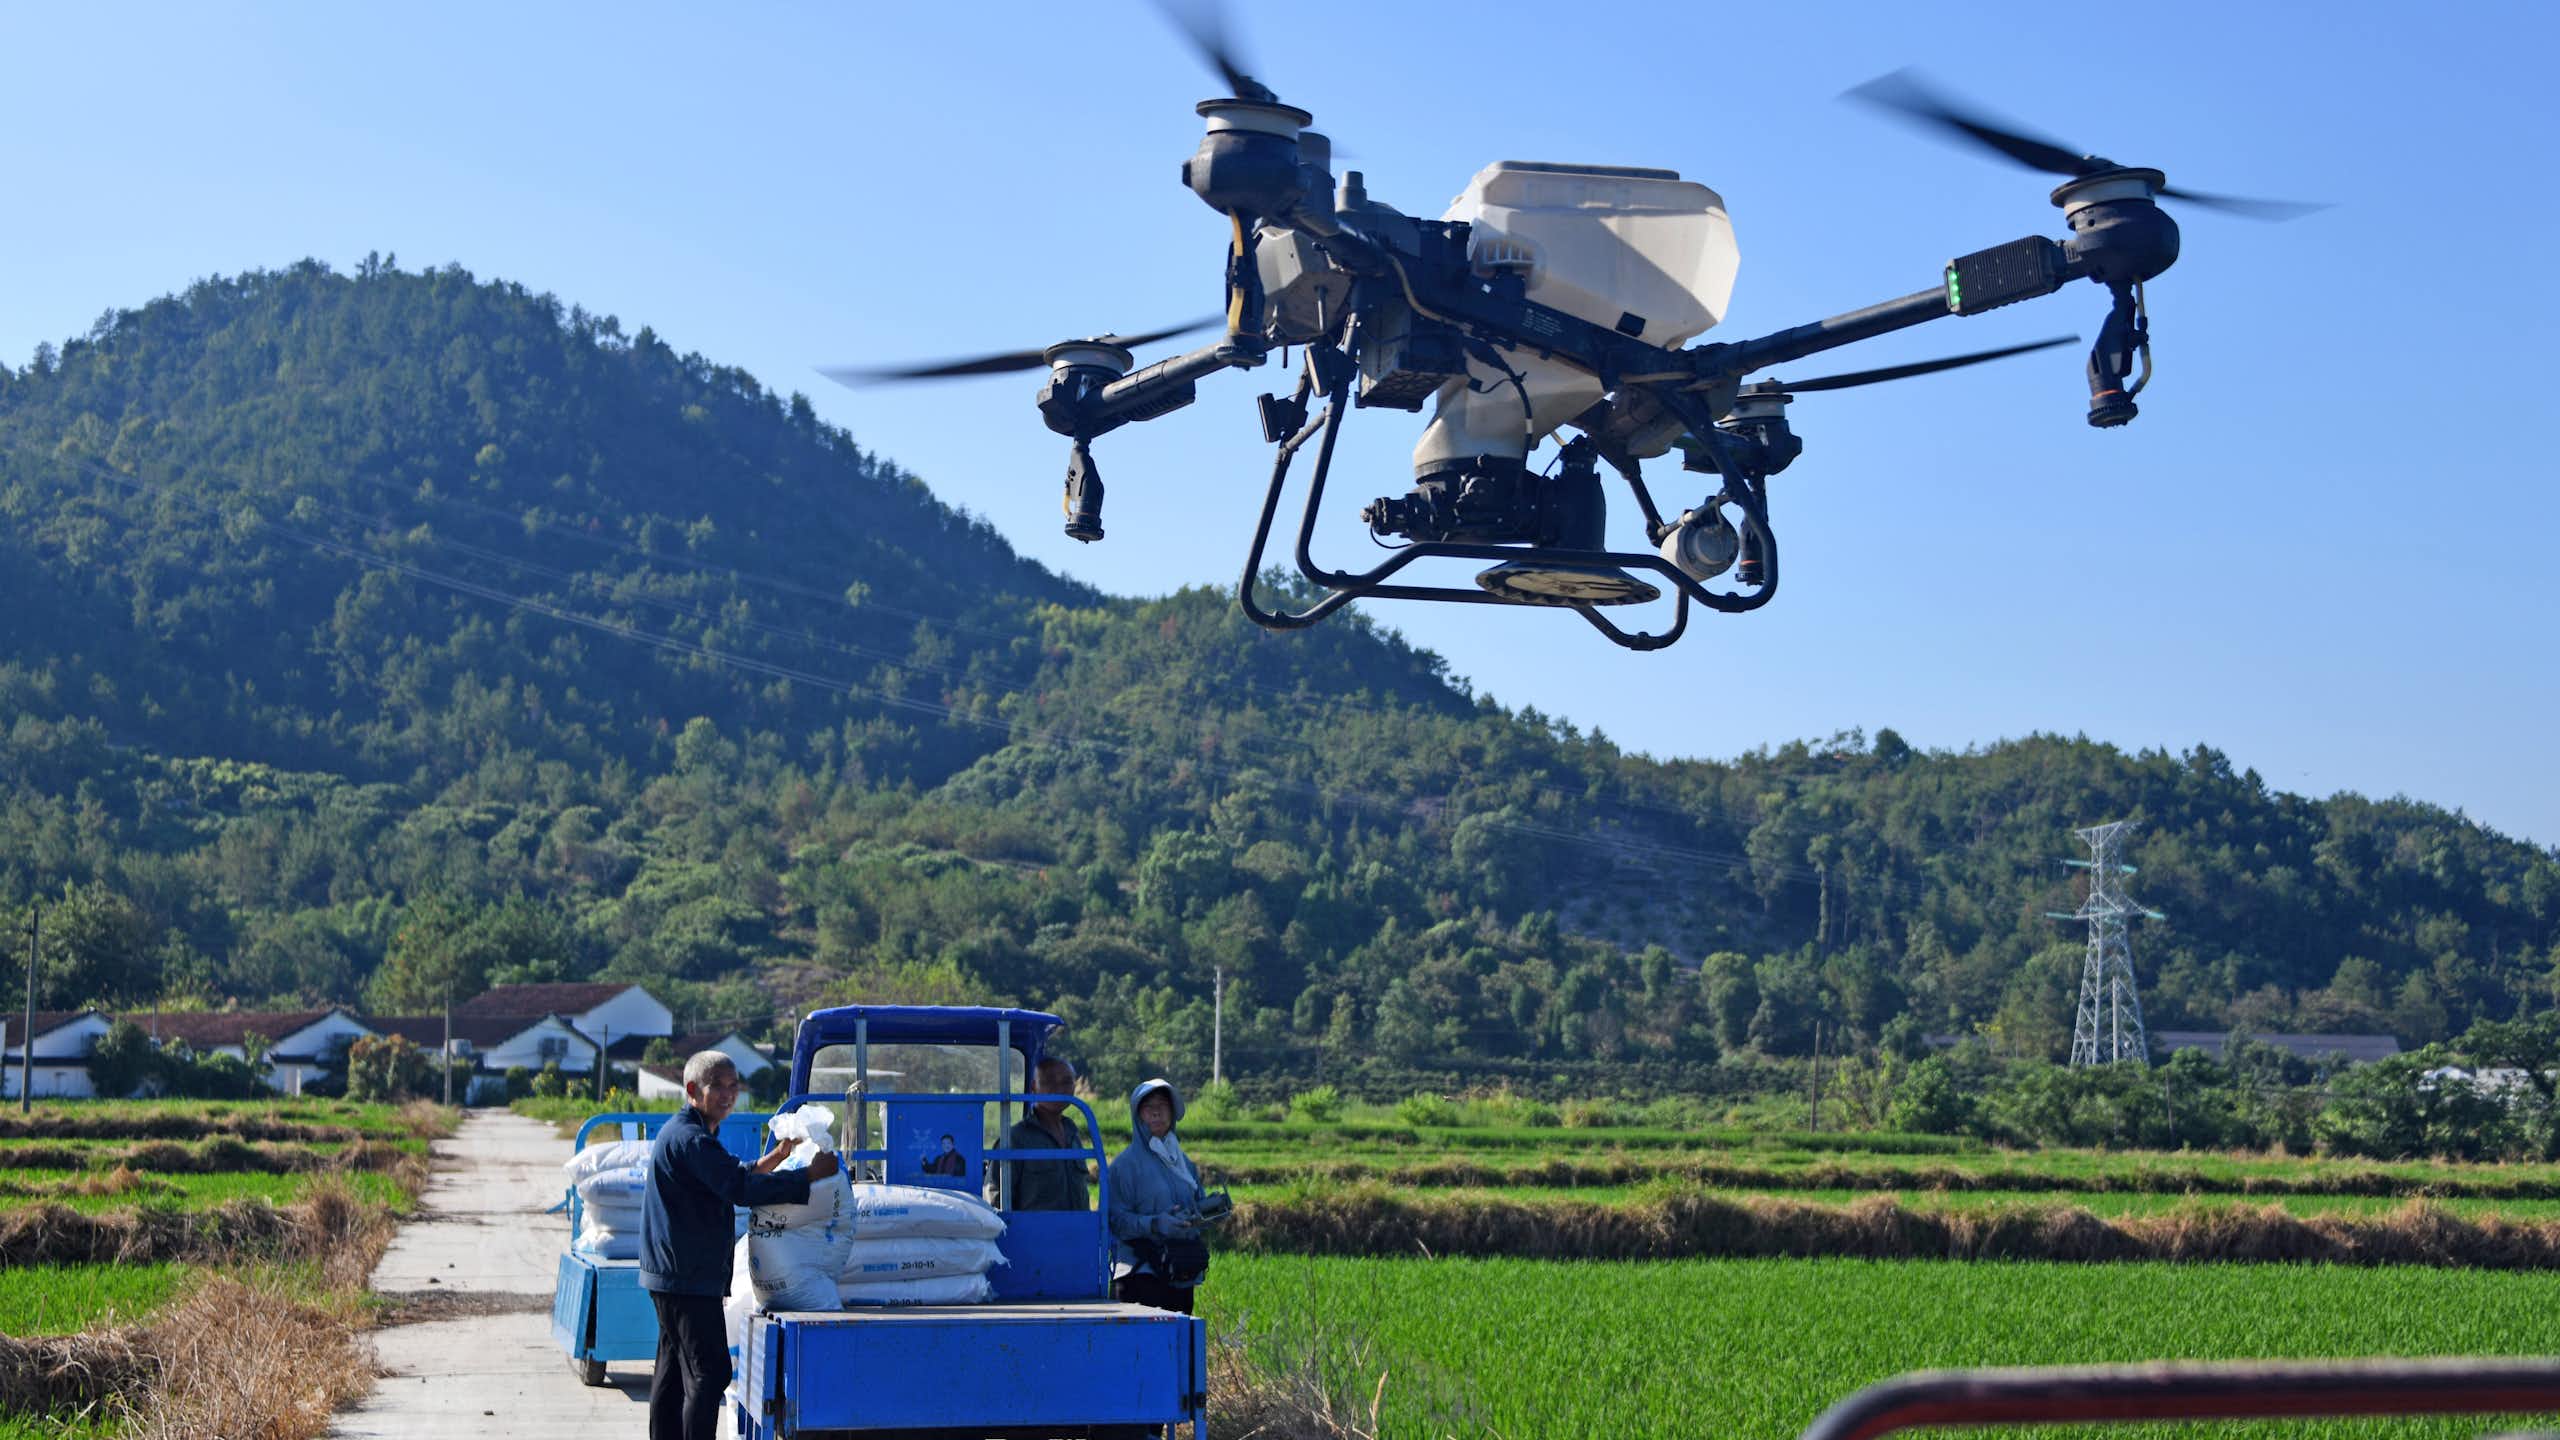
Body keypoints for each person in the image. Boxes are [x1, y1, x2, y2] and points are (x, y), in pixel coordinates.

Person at [642, 1050, 840, 1440]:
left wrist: (777, 1157)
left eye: (734, 1086)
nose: (728, 1095)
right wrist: (807, 1176)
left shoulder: (693, 1135)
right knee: (710, 1371)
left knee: (673, 1372)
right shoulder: (691, 1138)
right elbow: (739, 1188)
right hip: (686, 1277)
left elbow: (730, 1175)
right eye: (718, 1087)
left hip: (673, 1275)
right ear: (693, 1090)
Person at [1105, 1077, 1206, 1314]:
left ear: (1172, 1112)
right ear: (1138, 1115)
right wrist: (1154, 1224)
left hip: (1179, 1272)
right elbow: (1115, 1220)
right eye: (1148, 1106)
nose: (1156, 1112)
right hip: (1139, 1275)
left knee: (1177, 1348)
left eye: (1163, 1105)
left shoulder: (1183, 1163)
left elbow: (1198, 1206)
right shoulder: (1124, 1166)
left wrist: (1211, 1211)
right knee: (1138, 1349)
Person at [1000, 1056, 1091, 1211]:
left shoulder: (1073, 1134)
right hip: (1033, 1233)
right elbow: (996, 1199)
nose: (1059, 1088)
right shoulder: (1015, 1139)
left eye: (1066, 1082)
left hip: (1078, 1232)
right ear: (1034, 1087)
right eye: (1049, 1081)